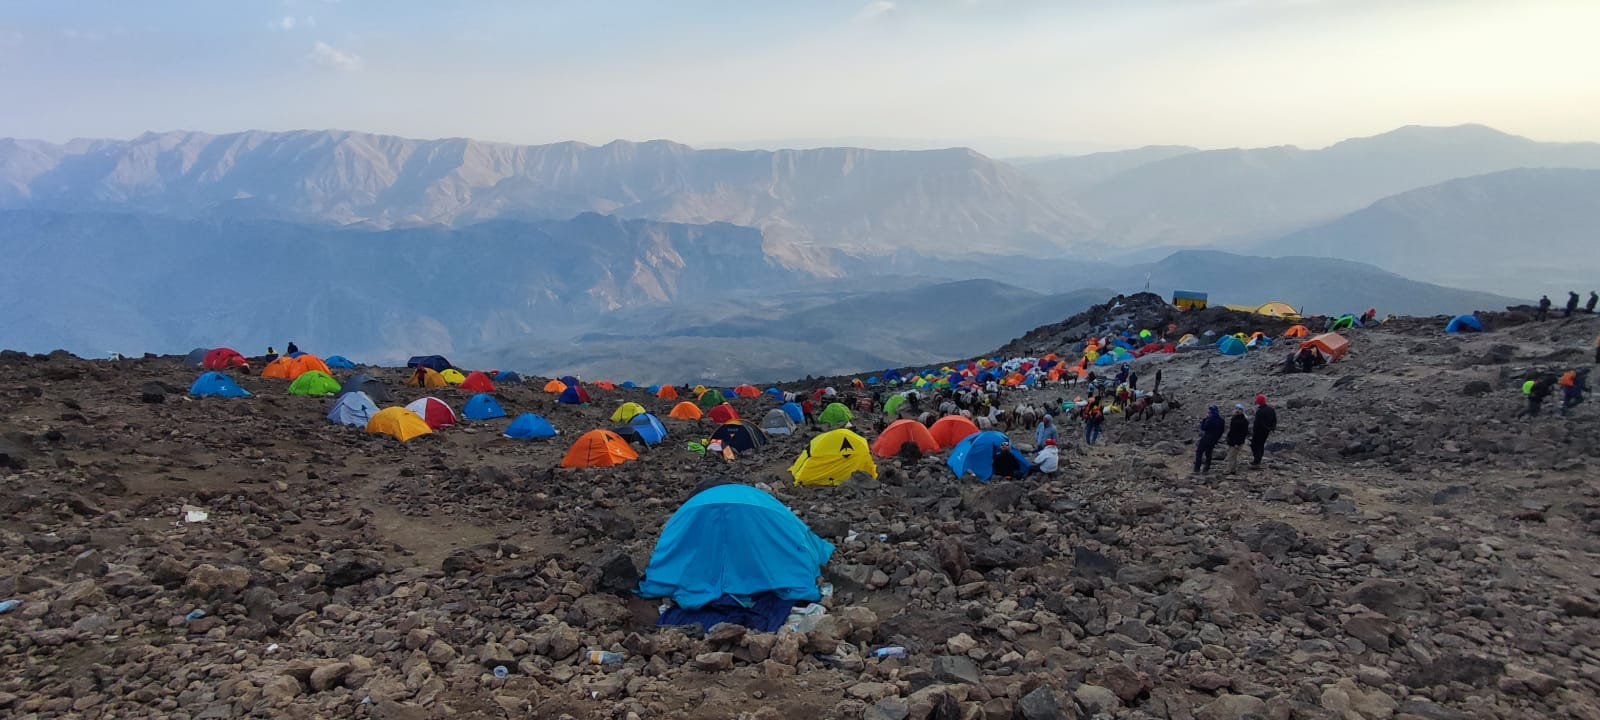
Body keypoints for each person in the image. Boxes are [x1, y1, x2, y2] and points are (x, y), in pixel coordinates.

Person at [1194, 406, 1225, 474]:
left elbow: (1203, 428)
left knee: (1199, 452)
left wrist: (1205, 419)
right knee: (1209, 454)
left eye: (1209, 412)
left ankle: (1197, 469)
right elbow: (1222, 431)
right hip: (1214, 440)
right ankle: (1206, 469)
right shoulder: (1221, 420)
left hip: (1206, 438)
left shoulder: (1210, 420)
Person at [1250, 394, 1277, 466]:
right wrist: (1271, 428)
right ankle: (1258, 459)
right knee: (1261, 445)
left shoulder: (1260, 411)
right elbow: (1274, 420)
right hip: (1266, 431)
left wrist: (1254, 431)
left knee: (1254, 445)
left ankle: (1256, 460)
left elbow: (1257, 423)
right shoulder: (1271, 409)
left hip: (1258, 431)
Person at [1225, 404, 1251, 474]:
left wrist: (1238, 443)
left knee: (1231, 456)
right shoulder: (1234, 418)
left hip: (1237, 441)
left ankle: (1229, 470)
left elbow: (1243, 433)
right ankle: (1233, 469)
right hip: (1232, 440)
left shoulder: (1244, 421)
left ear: (1242, 411)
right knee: (1233, 456)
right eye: (1236, 409)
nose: (1237, 410)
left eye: (1239, 409)